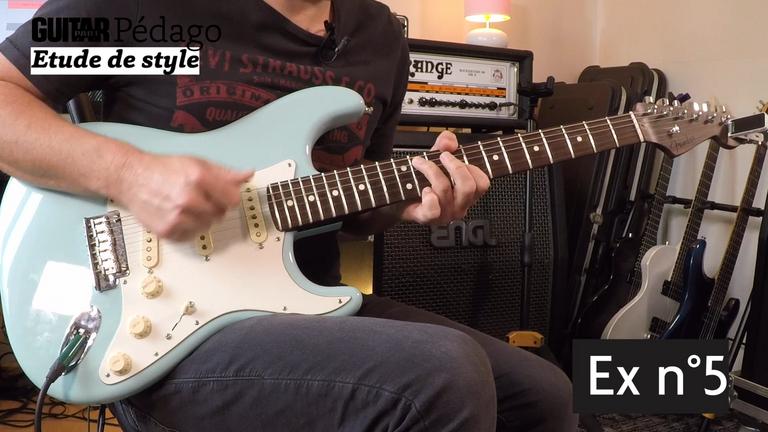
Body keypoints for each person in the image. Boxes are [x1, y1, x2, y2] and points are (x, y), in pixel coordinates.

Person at [0, 0, 576, 430]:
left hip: (305, 301)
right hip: (164, 330)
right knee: (445, 373)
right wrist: (130, 173)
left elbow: (357, 210)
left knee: (547, 396)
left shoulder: (378, 36)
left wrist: (409, 202)